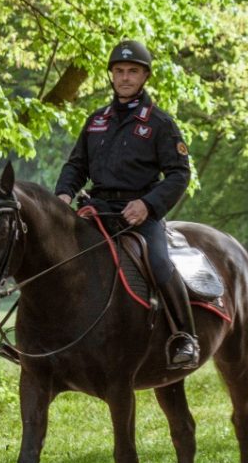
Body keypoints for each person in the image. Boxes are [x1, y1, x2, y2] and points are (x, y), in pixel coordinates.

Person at [54, 39, 198, 369]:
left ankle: (184, 337)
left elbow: (179, 173)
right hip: (96, 211)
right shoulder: (96, 121)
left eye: (133, 71)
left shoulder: (160, 123)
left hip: (140, 215)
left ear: (145, 76)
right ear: (111, 75)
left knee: (160, 263)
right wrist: (63, 195)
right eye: (119, 71)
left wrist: (147, 205)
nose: (125, 77)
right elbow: (76, 166)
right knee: (56, 255)